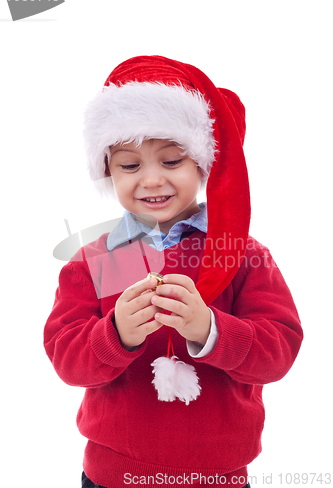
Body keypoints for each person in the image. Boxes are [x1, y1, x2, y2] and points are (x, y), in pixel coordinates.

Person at [44, 55, 303, 488]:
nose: (150, 180)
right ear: (107, 170)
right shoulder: (94, 260)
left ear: (203, 164)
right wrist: (116, 335)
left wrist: (210, 329)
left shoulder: (241, 254)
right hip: (113, 476)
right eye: (130, 165)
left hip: (217, 475)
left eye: (171, 161)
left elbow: (280, 349)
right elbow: (66, 358)